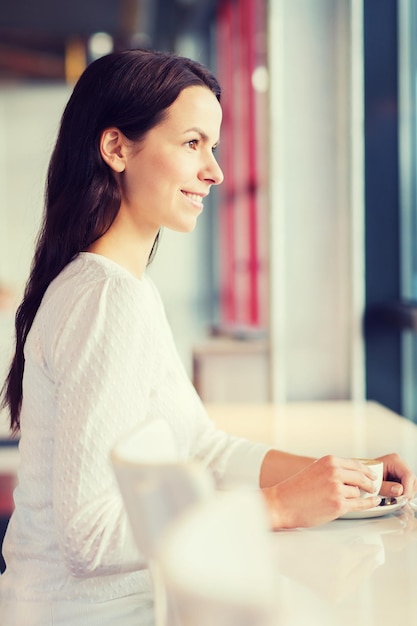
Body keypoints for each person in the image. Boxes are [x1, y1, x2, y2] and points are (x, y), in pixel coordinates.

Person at [0, 48, 415, 624]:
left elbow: (203, 448)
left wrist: (336, 476)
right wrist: (277, 506)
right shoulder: (104, 299)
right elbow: (89, 536)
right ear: (116, 147)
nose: (215, 171)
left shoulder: (127, 290)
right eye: (193, 143)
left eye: (213, 147)